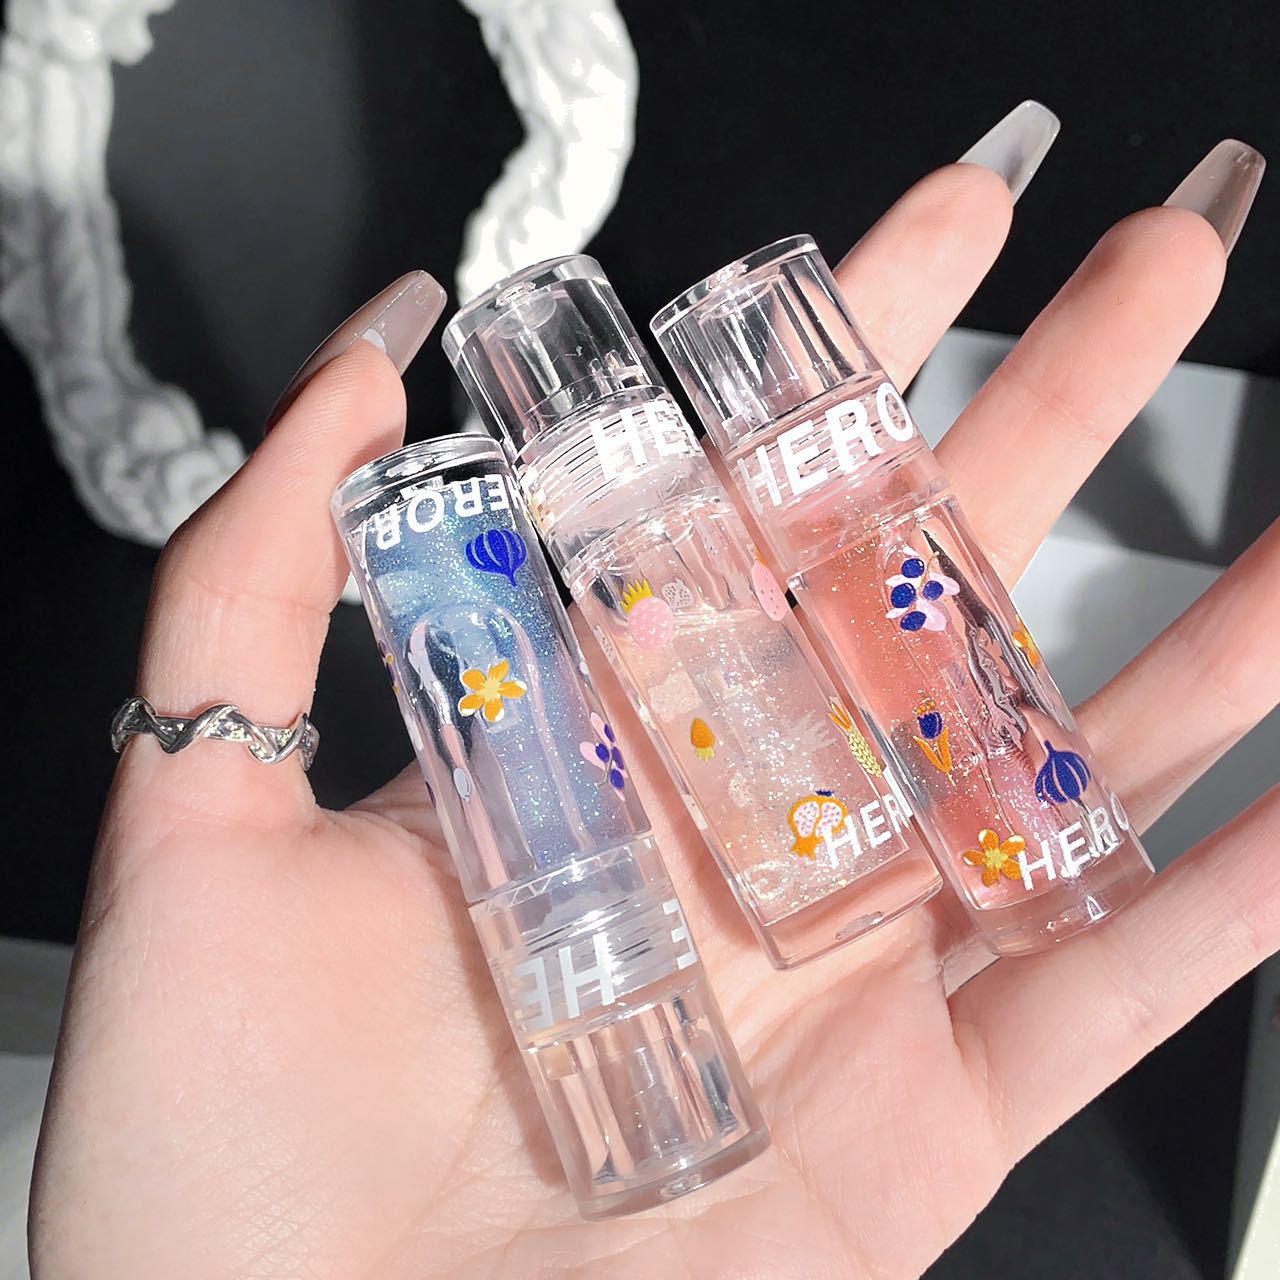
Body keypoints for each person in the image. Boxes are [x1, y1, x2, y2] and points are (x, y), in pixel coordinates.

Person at [27, 141, 1278, 1278]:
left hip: (818, 791)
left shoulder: (705, 473)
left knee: (921, 664)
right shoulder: (524, 528)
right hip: (592, 861)